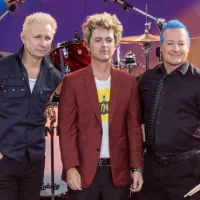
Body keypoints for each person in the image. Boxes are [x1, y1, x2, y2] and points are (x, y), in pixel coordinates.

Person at [58, 12, 144, 200]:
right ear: (87, 45)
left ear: (116, 44)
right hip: (83, 172)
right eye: (98, 40)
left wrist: (136, 167)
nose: (104, 45)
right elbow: (66, 129)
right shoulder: (72, 81)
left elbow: (134, 128)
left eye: (108, 40)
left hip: (118, 173)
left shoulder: (129, 82)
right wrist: (70, 167)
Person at [0, 12, 63, 200]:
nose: (42, 43)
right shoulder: (3, 68)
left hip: (34, 161)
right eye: (37, 37)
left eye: (47, 38)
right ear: (24, 37)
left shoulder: (55, 77)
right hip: (5, 158)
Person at [135, 20, 200, 200]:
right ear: (161, 47)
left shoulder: (198, 80)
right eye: (170, 43)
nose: (176, 49)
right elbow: (134, 124)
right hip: (151, 172)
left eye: (181, 44)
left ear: (188, 47)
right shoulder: (146, 80)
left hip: (188, 173)